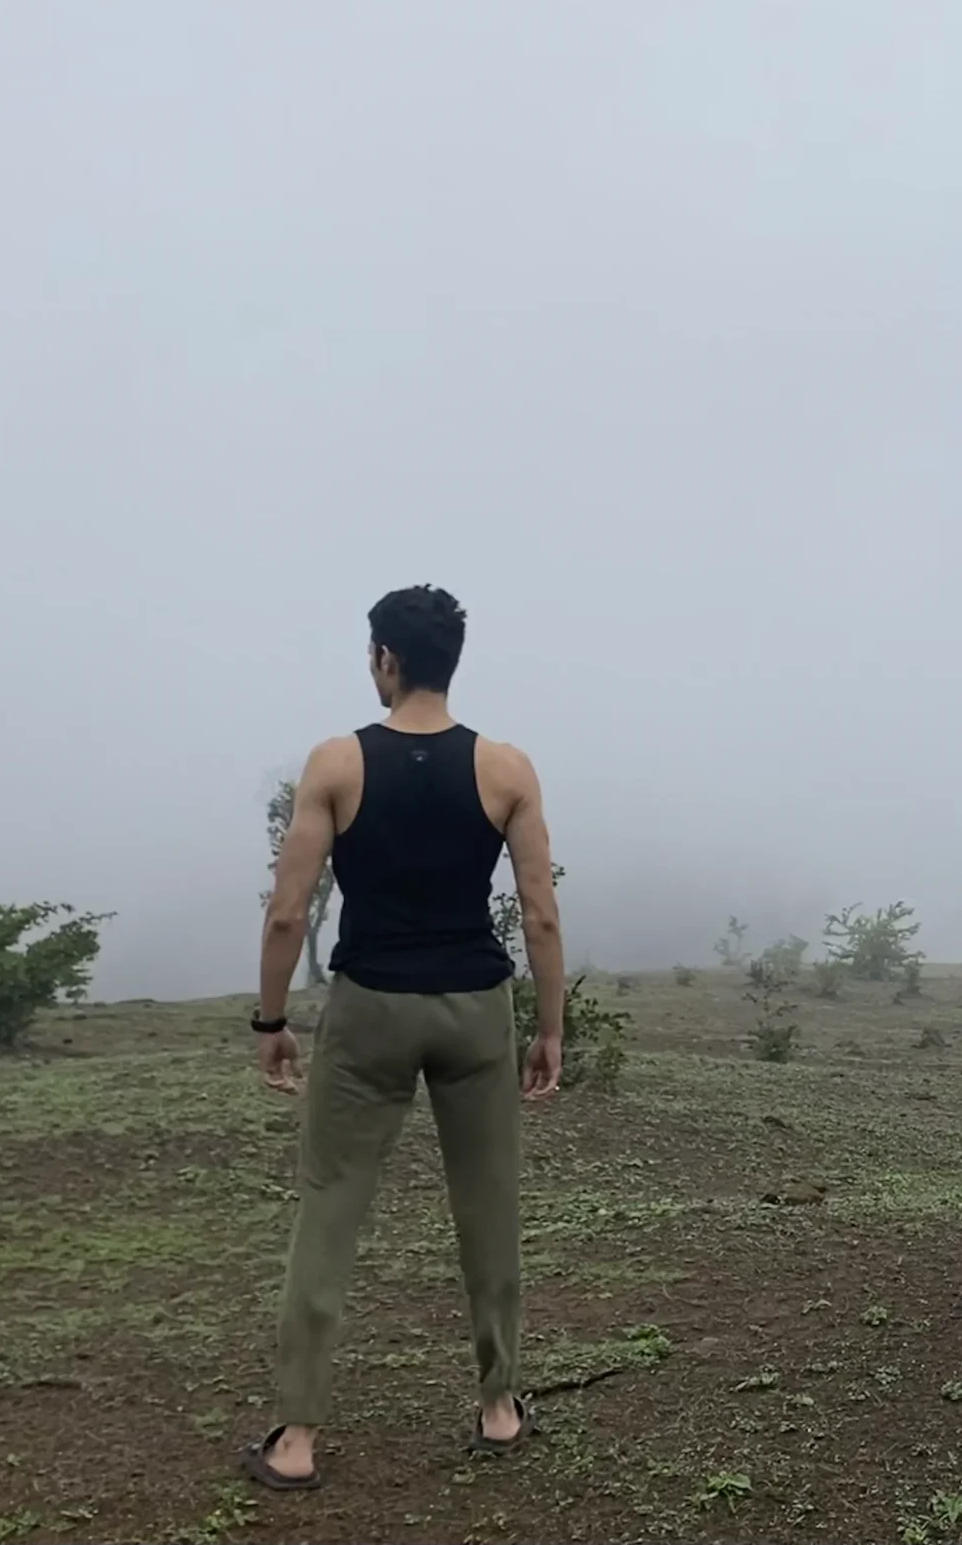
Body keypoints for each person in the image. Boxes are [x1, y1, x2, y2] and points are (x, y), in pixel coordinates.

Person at [243, 584, 565, 1491]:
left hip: (370, 1005)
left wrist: (270, 1021)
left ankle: (297, 1437)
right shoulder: (507, 769)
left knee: (331, 1206)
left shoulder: (337, 763)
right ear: (448, 661)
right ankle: (499, 1409)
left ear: (385, 658)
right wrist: (548, 1028)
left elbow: (286, 914)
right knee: (489, 1204)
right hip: (474, 1006)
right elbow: (539, 913)